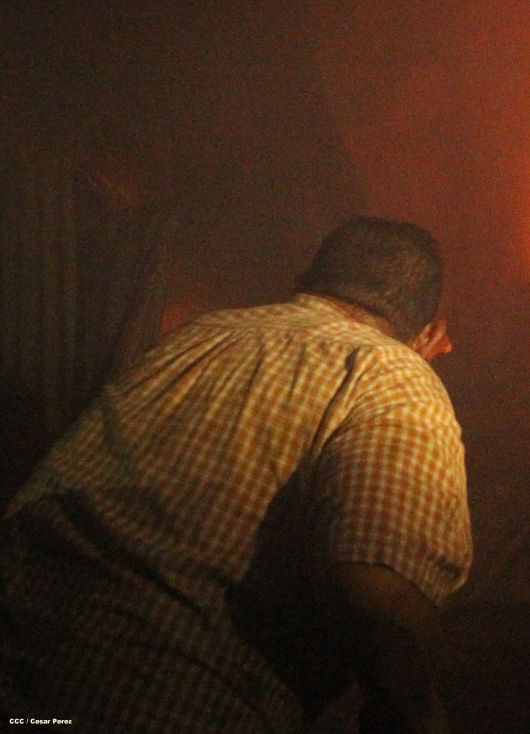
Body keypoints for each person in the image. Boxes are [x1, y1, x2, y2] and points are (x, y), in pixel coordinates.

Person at [0, 217, 472, 733]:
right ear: (429, 332)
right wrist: (420, 716)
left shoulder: (202, 335)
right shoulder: (391, 374)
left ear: (303, 281)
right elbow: (379, 592)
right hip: (165, 706)